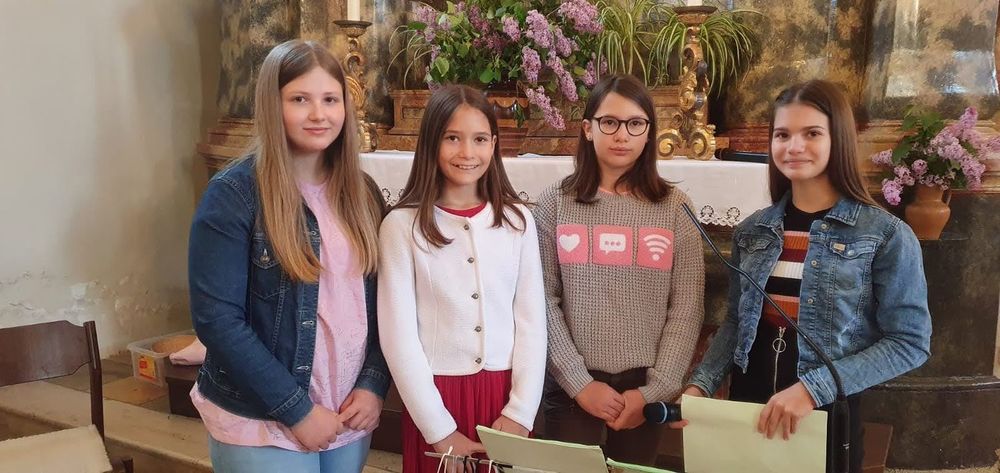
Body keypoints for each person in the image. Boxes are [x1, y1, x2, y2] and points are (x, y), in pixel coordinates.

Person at [681, 79, 932, 473]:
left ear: (838, 140)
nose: (793, 146)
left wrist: (812, 390)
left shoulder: (885, 235)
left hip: (824, 413)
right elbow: (736, 322)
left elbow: (909, 343)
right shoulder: (753, 230)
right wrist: (702, 384)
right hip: (749, 406)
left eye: (811, 133)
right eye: (782, 134)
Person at [187, 39, 390, 473]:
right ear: (272, 105)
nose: (319, 114)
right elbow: (218, 321)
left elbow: (386, 303)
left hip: (346, 410)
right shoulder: (234, 195)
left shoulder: (364, 194)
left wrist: (373, 384)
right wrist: (296, 409)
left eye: (330, 99)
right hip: (262, 416)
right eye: (300, 99)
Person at [534, 74, 705, 466]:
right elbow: (541, 299)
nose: (621, 135)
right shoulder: (555, 203)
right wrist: (579, 383)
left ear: (649, 133)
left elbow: (687, 308)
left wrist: (654, 391)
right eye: (609, 122)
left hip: (643, 386)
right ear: (588, 129)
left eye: (635, 124)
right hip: (573, 385)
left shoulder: (675, 208)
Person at [377, 84, 547, 472]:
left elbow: (532, 324)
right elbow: (399, 339)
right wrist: (438, 429)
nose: (467, 152)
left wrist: (521, 413)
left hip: (505, 395)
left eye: (480, 139)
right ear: (430, 143)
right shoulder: (401, 226)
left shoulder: (518, 221)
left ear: (494, 144)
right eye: (452, 138)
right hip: (436, 397)